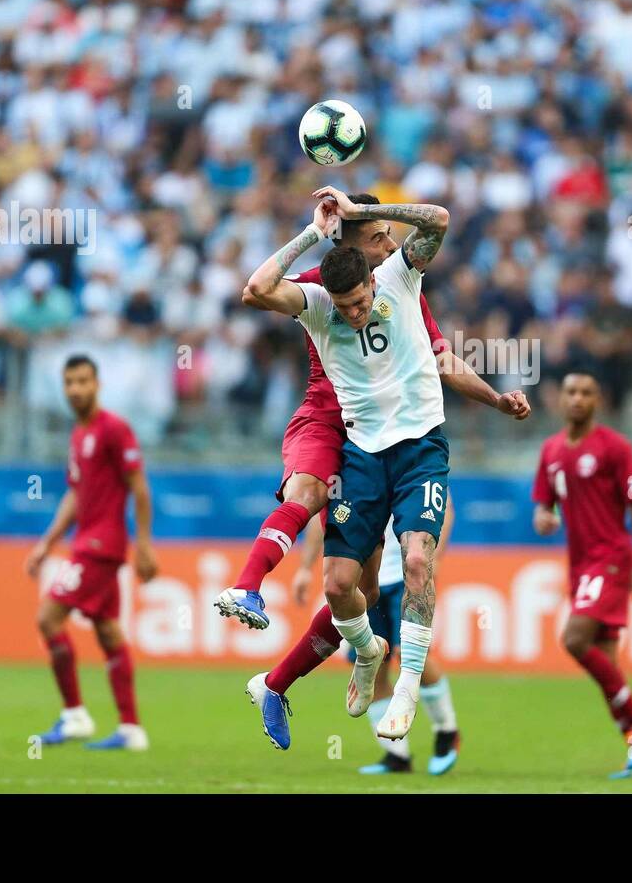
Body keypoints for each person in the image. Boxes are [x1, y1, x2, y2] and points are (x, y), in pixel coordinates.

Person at [226, 191, 529, 750]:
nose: (389, 243)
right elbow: (255, 289)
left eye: (390, 237)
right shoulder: (321, 291)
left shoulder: (397, 279)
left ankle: (367, 680)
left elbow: (440, 356)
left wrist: (494, 399)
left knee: (387, 575)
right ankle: (276, 615)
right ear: (350, 246)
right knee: (338, 570)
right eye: (377, 236)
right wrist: (316, 229)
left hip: (409, 445)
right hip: (340, 428)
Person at [532, 372, 632, 779]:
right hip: (580, 563)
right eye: (571, 391)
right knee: (606, 664)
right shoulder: (551, 450)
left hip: (611, 558)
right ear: (561, 399)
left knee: (574, 639)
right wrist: (543, 518)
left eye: (586, 393)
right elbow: (543, 506)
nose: (577, 399)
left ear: (598, 401)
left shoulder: (615, 448)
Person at [23, 355, 158, 751]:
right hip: (88, 541)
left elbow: (139, 487)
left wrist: (145, 544)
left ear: (97, 384)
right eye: (69, 382)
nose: (76, 389)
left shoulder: (114, 429)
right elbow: (75, 493)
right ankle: (131, 729)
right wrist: (47, 542)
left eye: (83, 381)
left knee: (48, 618)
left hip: (101, 545)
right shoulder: (78, 434)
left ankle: (74, 716)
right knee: (107, 631)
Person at [293, 497, 462, 776]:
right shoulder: (342, 466)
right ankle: (397, 756)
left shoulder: (406, 459)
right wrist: (304, 567)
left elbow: (445, 507)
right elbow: (319, 519)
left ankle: (446, 732)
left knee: (408, 653)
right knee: (372, 661)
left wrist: (437, 557)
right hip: (362, 578)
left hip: (406, 576)